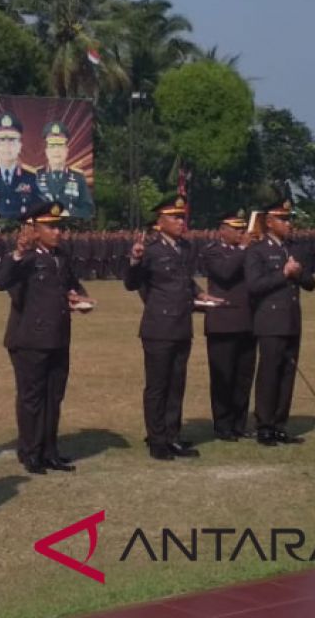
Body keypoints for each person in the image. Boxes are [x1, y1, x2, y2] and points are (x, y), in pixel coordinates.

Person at [0, 201, 92, 475]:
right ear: (33, 229)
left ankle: (50, 451)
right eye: (50, 227)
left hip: (58, 336)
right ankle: (30, 452)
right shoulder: (23, 257)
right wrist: (17, 253)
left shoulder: (61, 255)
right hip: (30, 339)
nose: (57, 232)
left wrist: (78, 296)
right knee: (32, 398)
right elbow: (1, 283)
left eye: (58, 226)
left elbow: (71, 282)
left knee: (53, 397)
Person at [123, 196, 213, 461]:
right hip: (158, 328)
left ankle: (173, 436)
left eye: (181, 217)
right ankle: (157, 439)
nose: (180, 221)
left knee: (177, 385)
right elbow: (131, 284)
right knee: (158, 386)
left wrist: (201, 294)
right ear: (160, 222)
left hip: (182, 326)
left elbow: (184, 280)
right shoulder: (149, 249)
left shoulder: (185, 247)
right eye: (174, 217)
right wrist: (134, 261)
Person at [245, 199, 315, 447]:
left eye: (289, 219)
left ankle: (279, 424)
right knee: (269, 374)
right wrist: (283, 274)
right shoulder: (257, 250)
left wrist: (298, 274)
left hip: (291, 320)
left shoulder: (296, 248)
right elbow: (254, 286)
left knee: (288, 374)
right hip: (269, 320)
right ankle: (264, 425)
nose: (289, 224)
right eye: (283, 219)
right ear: (269, 222)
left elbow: (310, 283)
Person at [200, 211, 257, 442]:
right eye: (237, 230)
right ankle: (222, 424)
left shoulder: (250, 252)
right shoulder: (213, 250)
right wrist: (243, 250)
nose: (242, 234)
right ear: (223, 231)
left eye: (243, 230)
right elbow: (224, 273)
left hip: (248, 321)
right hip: (223, 322)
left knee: (244, 377)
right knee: (223, 376)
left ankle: (239, 423)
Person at [35, 122, 94, 219]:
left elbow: (88, 210)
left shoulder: (78, 177)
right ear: (46, 151)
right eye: (52, 146)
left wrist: (70, 213)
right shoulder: (35, 176)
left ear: (67, 150)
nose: (56, 151)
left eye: (60, 146)